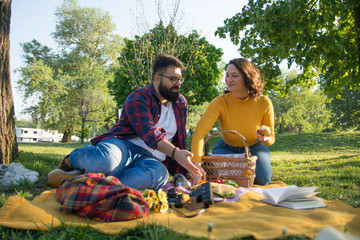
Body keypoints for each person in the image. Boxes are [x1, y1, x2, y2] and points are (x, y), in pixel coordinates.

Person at [46, 53, 201, 190]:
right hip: (123, 146)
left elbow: (179, 139)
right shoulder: (139, 97)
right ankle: (73, 159)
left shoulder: (181, 103)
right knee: (108, 162)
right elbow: (149, 134)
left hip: (151, 159)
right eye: (173, 79)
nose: (178, 83)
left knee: (159, 176)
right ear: (157, 78)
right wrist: (175, 153)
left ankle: (86, 183)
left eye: (180, 79)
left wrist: (185, 168)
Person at [190, 58, 275, 186]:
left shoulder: (264, 102)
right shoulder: (220, 102)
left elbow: (271, 137)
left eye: (234, 76)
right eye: (227, 75)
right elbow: (200, 132)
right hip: (226, 148)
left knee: (263, 180)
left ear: (247, 78)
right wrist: (196, 162)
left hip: (254, 149)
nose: (228, 80)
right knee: (219, 179)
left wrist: (265, 139)